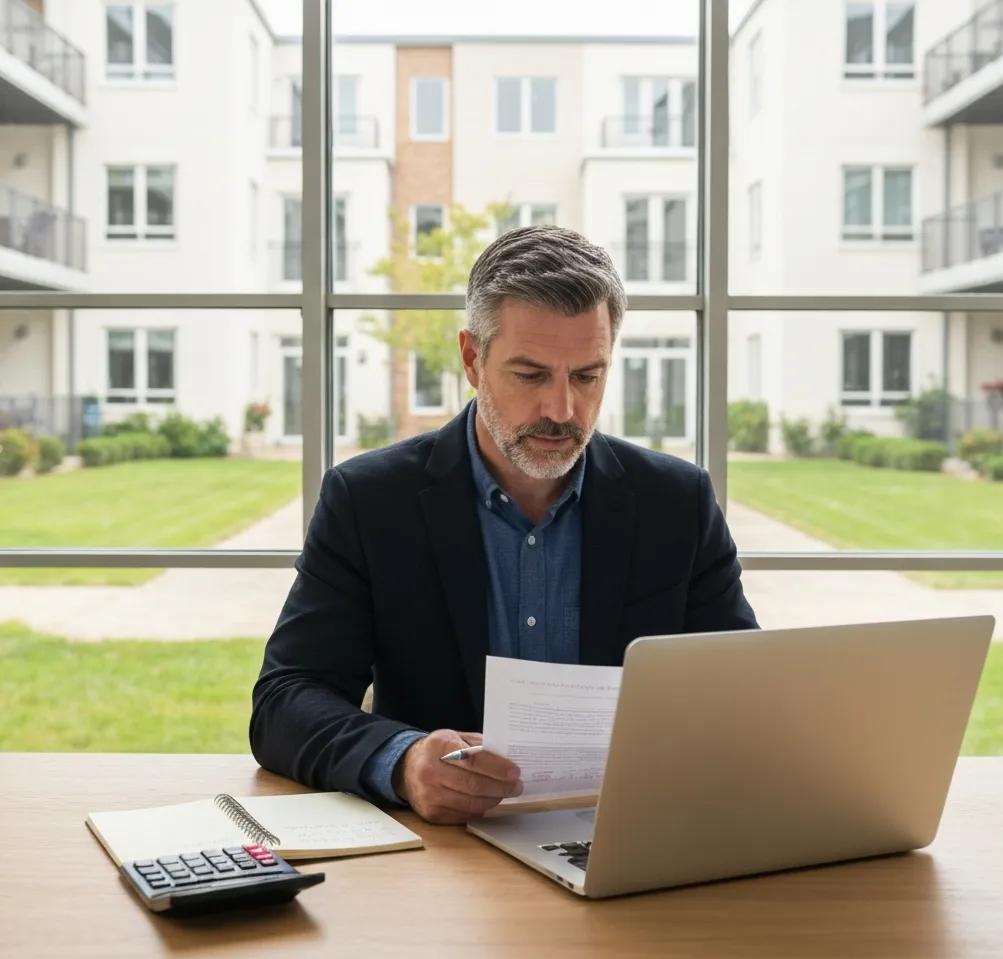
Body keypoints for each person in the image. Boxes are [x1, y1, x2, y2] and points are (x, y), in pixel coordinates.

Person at [250, 225, 758, 824]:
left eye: (587, 376)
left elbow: (741, 697)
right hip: (446, 858)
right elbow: (284, 702)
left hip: (630, 841)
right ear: (471, 358)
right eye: (531, 374)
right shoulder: (368, 501)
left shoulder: (678, 502)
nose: (561, 410)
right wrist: (405, 760)